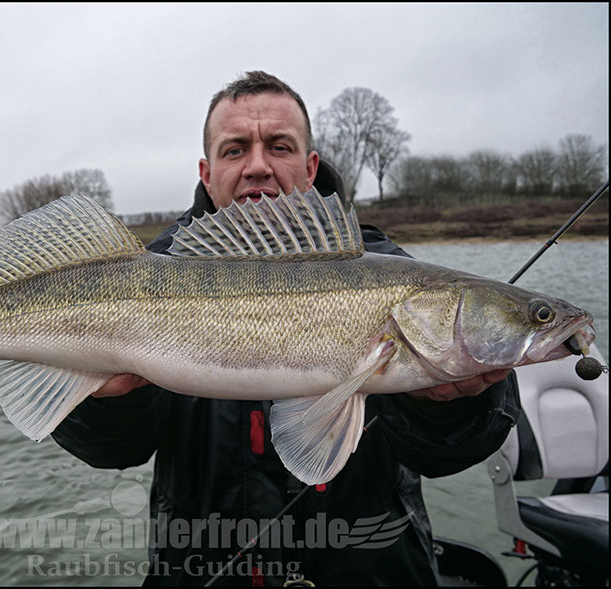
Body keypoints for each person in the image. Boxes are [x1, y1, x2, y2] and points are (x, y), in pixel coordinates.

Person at [52, 71, 520, 586]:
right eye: (235, 150)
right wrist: (106, 401)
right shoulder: (144, 272)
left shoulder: (390, 270)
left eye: (279, 146)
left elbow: (455, 450)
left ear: (310, 166)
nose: (257, 166)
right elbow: (113, 452)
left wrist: (447, 404)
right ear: (207, 173)